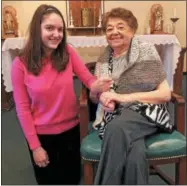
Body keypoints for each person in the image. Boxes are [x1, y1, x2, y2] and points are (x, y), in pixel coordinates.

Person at [11, 4, 112, 185]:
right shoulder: (20, 64)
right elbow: (22, 109)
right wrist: (35, 147)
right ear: (37, 28)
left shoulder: (67, 52)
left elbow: (87, 78)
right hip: (42, 136)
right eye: (49, 28)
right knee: (48, 181)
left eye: (60, 29)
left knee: (72, 179)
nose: (56, 34)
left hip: (70, 130)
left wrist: (96, 84)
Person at [90, 8, 172, 185]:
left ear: (132, 30)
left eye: (121, 27)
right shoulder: (104, 58)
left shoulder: (146, 51)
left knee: (116, 129)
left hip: (146, 112)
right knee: (135, 154)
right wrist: (103, 97)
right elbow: (99, 96)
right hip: (117, 115)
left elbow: (165, 94)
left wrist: (123, 98)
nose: (114, 32)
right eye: (109, 28)